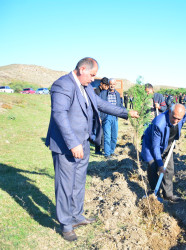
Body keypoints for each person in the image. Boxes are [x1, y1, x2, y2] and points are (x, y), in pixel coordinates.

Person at [45, 57, 138, 241]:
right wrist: (73, 143)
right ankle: (65, 224)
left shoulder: (86, 87)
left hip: (84, 142)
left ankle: (77, 216)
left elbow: (100, 104)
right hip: (66, 145)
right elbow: (59, 114)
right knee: (65, 184)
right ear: (82, 69)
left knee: (78, 182)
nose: (93, 79)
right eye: (92, 75)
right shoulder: (62, 85)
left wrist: (126, 112)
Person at [141, 104, 186, 201]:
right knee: (152, 166)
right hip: (151, 145)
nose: (175, 121)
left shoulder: (183, 115)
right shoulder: (159, 123)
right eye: (174, 117)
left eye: (178, 119)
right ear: (169, 111)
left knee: (169, 169)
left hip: (167, 144)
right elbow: (155, 147)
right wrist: (160, 165)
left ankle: (168, 194)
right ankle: (154, 193)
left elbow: (181, 121)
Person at [99, 78, 124, 159]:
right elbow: (98, 105)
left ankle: (112, 151)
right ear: (108, 85)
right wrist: (99, 116)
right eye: (110, 84)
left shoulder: (117, 94)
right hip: (106, 116)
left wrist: (126, 113)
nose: (112, 86)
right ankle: (107, 154)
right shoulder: (103, 94)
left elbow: (120, 105)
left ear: (115, 85)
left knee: (114, 136)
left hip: (115, 117)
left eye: (113, 84)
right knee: (107, 136)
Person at [93, 77, 109, 155]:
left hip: (104, 115)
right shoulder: (95, 91)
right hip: (97, 115)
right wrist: (98, 116)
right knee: (99, 133)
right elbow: (95, 105)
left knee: (105, 133)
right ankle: (97, 150)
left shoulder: (105, 92)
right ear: (101, 84)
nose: (106, 87)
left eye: (107, 86)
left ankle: (103, 148)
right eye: (105, 85)